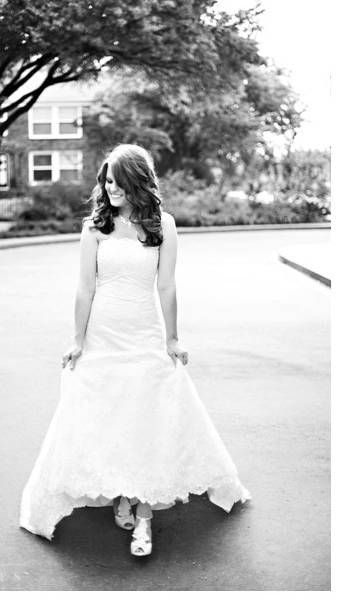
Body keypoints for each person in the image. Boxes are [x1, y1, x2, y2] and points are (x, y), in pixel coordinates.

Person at [18, 144, 249, 557]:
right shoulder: (94, 227)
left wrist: (173, 338)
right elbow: (85, 288)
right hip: (102, 335)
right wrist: (76, 339)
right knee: (110, 416)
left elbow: (166, 286)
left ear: (137, 182)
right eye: (106, 181)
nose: (110, 189)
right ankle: (121, 491)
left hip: (144, 334)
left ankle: (144, 518)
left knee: (146, 421)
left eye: (118, 182)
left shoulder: (163, 225)